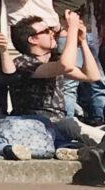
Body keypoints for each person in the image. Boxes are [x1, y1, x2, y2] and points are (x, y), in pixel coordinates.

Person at [10, 11, 105, 145]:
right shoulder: (22, 63)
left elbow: (92, 75)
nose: (52, 33)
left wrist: (82, 42)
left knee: (76, 127)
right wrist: (71, 28)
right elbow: (65, 66)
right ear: (32, 39)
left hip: (59, 124)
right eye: (46, 31)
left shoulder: (54, 60)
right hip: (36, 123)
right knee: (74, 126)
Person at [56, 0, 103, 123]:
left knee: (97, 79)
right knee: (69, 82)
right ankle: (67, 124)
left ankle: (99, 119)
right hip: (64, 31)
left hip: (89, 31)